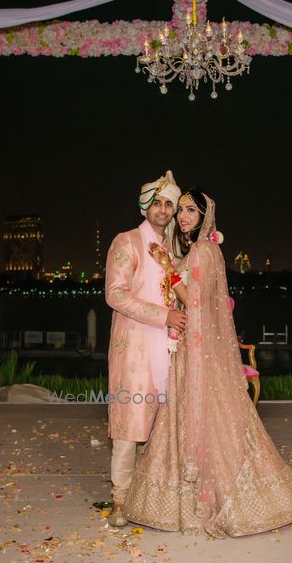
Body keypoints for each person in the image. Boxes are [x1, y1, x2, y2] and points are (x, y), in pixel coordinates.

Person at [124, 188, 292, 538]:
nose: (182, 217)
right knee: (207, 417)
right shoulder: (205, 249)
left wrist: (168, 269)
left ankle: (213, 499)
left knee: (205, 418)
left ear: (205, 216)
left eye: (191, 210)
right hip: (195, 346)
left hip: (196, 349)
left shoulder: (202, 251)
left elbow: (194, 300)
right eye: (181, 210)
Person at [104, 171, 185, 527]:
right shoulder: (127, 242)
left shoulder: (174, 249)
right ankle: (121, 501)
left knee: (167, 427)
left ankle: (157, 498)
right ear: (145, 206)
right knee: (129, 426)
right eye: (157, 203)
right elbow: (115, 294)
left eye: (169, 203)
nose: (163, 209)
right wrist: (164, 315)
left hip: (171, 348)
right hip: (135, 348)